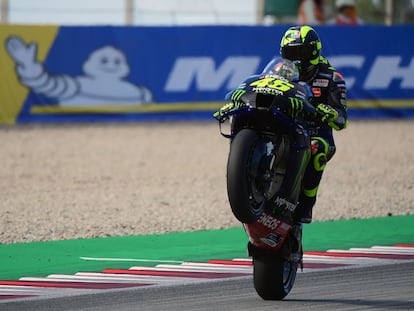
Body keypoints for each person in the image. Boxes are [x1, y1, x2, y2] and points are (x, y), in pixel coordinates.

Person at [277, 25, 348, 223]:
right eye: (291, 54)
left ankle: (306, 206)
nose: (296, 59)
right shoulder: (280, 71)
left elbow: (342, 119)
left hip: (315, 134)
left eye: (301, 53)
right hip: (284, 128)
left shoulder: (332, 78)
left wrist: (327, 111)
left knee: (318, 149)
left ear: (313, 52)